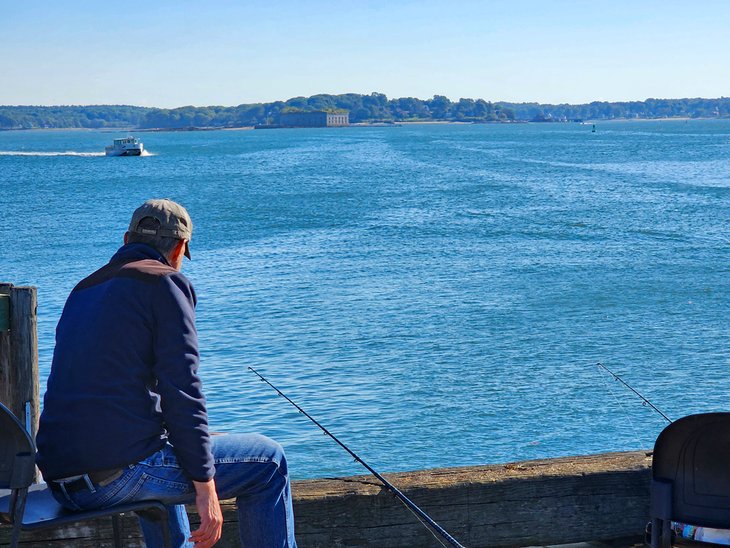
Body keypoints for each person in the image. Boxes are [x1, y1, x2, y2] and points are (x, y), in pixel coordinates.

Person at [36, 199, 297, 547]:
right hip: (117, 478)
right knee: (268, 462)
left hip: (60, 481)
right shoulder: (166, 284)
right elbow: (182, 390)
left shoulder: (83, 290)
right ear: (179, 247)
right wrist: (206, 488)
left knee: (158, 446)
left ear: (126, 240)